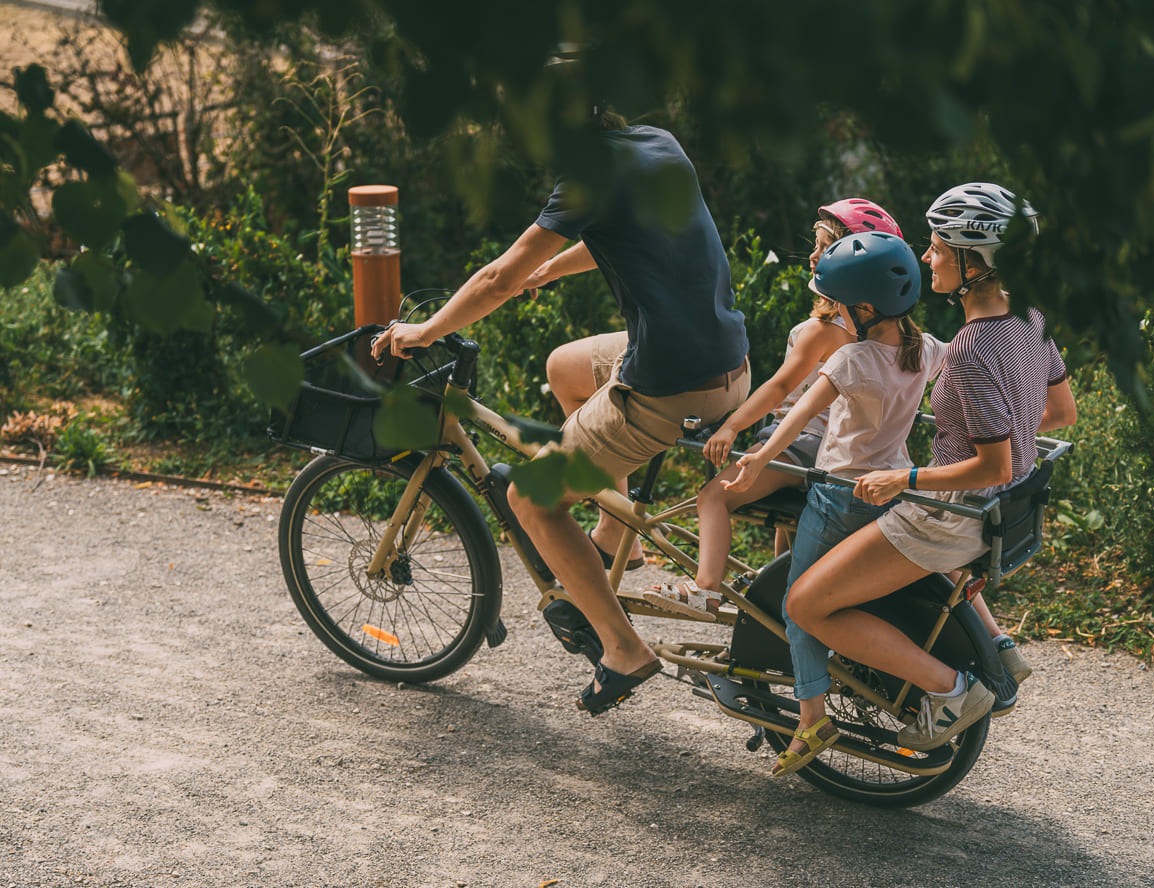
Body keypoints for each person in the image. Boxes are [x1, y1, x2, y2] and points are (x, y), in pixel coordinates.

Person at [372, 108, 751, 715]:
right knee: (565, 368)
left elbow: (497, 279)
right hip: (727, 363)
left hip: (672, 387)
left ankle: (623, 650)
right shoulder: (656, 142)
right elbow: (619, 236)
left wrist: (425, 330)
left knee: (529, 499)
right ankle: (615, 534)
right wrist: (549, 268)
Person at [779, 182, 1077, 762]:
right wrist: (1004, 427)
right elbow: (1061, 411)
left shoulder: (968, 349)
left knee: (805, 605)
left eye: (938, 248)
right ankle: (996, 645)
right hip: (997, 509)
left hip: (946, 518)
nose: (926, 257)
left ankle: (950, 692)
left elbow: (991, 463)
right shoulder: (1031, 320)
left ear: (973, 262)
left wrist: (905, 479)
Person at [725, 229, 947, 775]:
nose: (837, 314)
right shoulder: (928, 349)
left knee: (798, 604)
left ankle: (812, 719)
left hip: (839, 494)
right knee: (843, 593)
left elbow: (798, 414)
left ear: (865, 309)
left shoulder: (852, 359)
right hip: (891, 489)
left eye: (842, 305)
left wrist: (758, 457)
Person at [643, 199, 902, 619]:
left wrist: (731, 426)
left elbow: (780, 386)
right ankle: (776, 585)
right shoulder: (884, 334)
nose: (814, 256)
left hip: (801, 444)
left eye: (826, 248)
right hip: (843, 451)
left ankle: (706, 589)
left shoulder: (821, 331)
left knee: (712, 498)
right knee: (788, 526)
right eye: (816, 246)